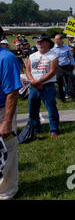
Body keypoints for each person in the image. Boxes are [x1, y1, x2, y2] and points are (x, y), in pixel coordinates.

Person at [0, 26, 22, 199]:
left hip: (2, 111)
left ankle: (6, 191)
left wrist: (7, 121)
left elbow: (12, 92)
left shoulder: (6, 58)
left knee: (6, 150)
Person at [26, 35, 60, 137]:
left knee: (51, 108)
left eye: (41, 42)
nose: (39, 44)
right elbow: (27, 70)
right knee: (33, 109)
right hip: (34, 86)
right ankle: (35, 129)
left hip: (47, 86)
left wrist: (39, 81)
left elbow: (52, 71)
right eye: (38, 42)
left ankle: (54, 129)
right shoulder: (32, 56)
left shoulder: (53, 56)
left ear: (48, 43)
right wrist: (33, 81)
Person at [52, 34, 75, 102]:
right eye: (55, 39)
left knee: (70, 83)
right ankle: (62, 98)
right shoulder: (53, 49)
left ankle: (73, 97)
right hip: (58, 67)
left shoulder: (66, 48)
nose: (56, 41)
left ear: (61, 40)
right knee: (59, 83)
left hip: (66, 67)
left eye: (57, 39)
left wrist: (74, 66)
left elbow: (71, 57)